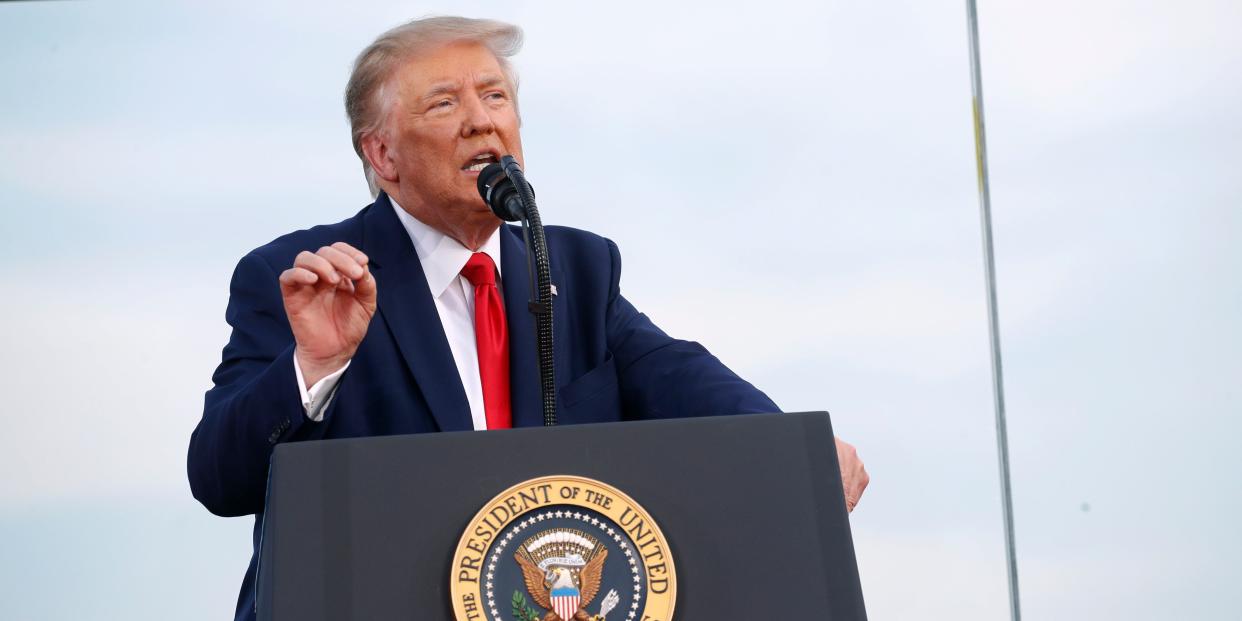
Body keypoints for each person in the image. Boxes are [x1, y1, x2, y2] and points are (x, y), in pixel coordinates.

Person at [188, 16, 868, 621]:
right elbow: (219, 477)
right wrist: (316, 365)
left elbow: (682, 373)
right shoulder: (307, 279)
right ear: (382, 155)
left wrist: (793, 450)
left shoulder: (575, 269)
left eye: (495, 96)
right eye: (444, 102)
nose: (482, 120)